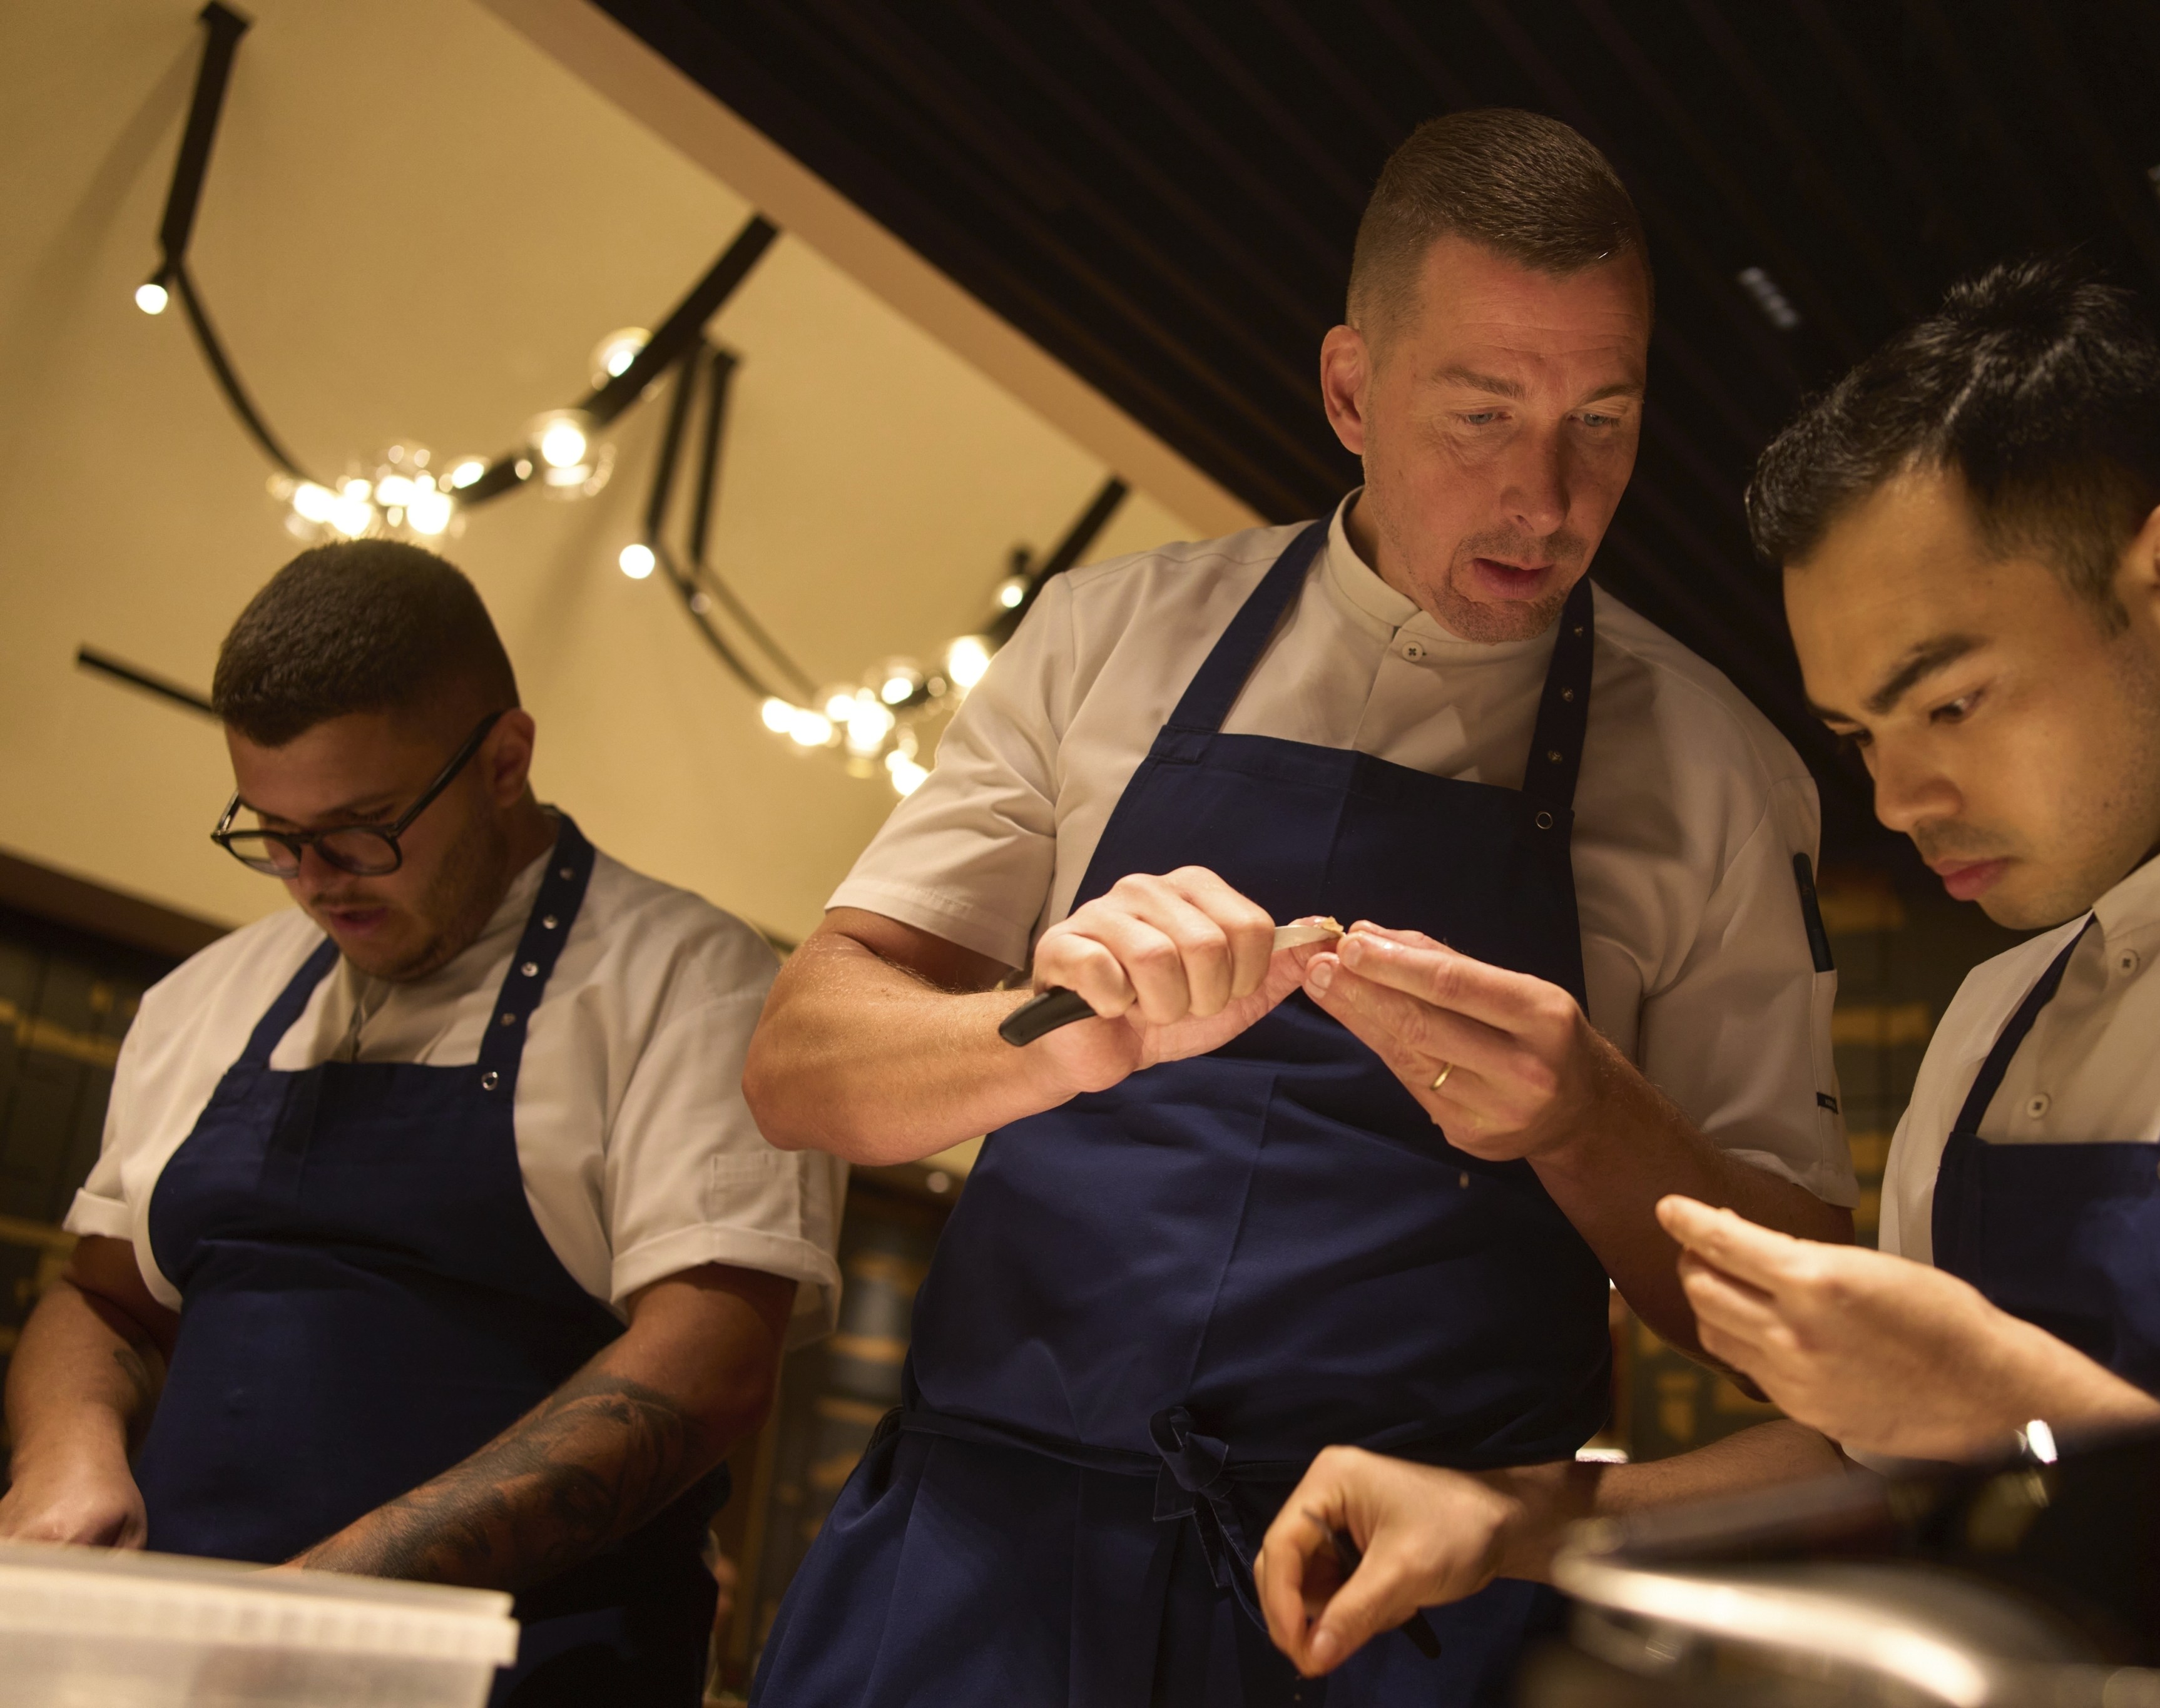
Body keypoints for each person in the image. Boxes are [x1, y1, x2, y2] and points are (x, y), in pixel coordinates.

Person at [1252, 258, 2160, 1704]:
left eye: (1947, 702)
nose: (1897, 795)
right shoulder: (1993, 1020)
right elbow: (1873, 1466)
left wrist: (2003, 1409)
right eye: (1857, 732)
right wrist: (1514, 1519)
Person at [741, 109, 1855, 1707]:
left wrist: (1584, 1118)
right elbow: (800, 1063)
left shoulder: (1721, 772)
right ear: (1349, 389)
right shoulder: (1101, 641)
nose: (1545, 498)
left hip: (1394, 1621)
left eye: (1600, 424)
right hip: (981, 1571)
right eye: (1480, 414)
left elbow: (1802, 1317)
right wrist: (1058, 1032)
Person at [0, 542, 847, 1707]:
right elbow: (102, 1295)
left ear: (505, 759)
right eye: (274, 836)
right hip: (178, 1670)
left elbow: (708, 1369)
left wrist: (329, 1595)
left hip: (522, 1676)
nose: (316, 880)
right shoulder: (205, 997)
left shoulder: (692, 984)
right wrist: (66, 1455)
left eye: (362, 829)